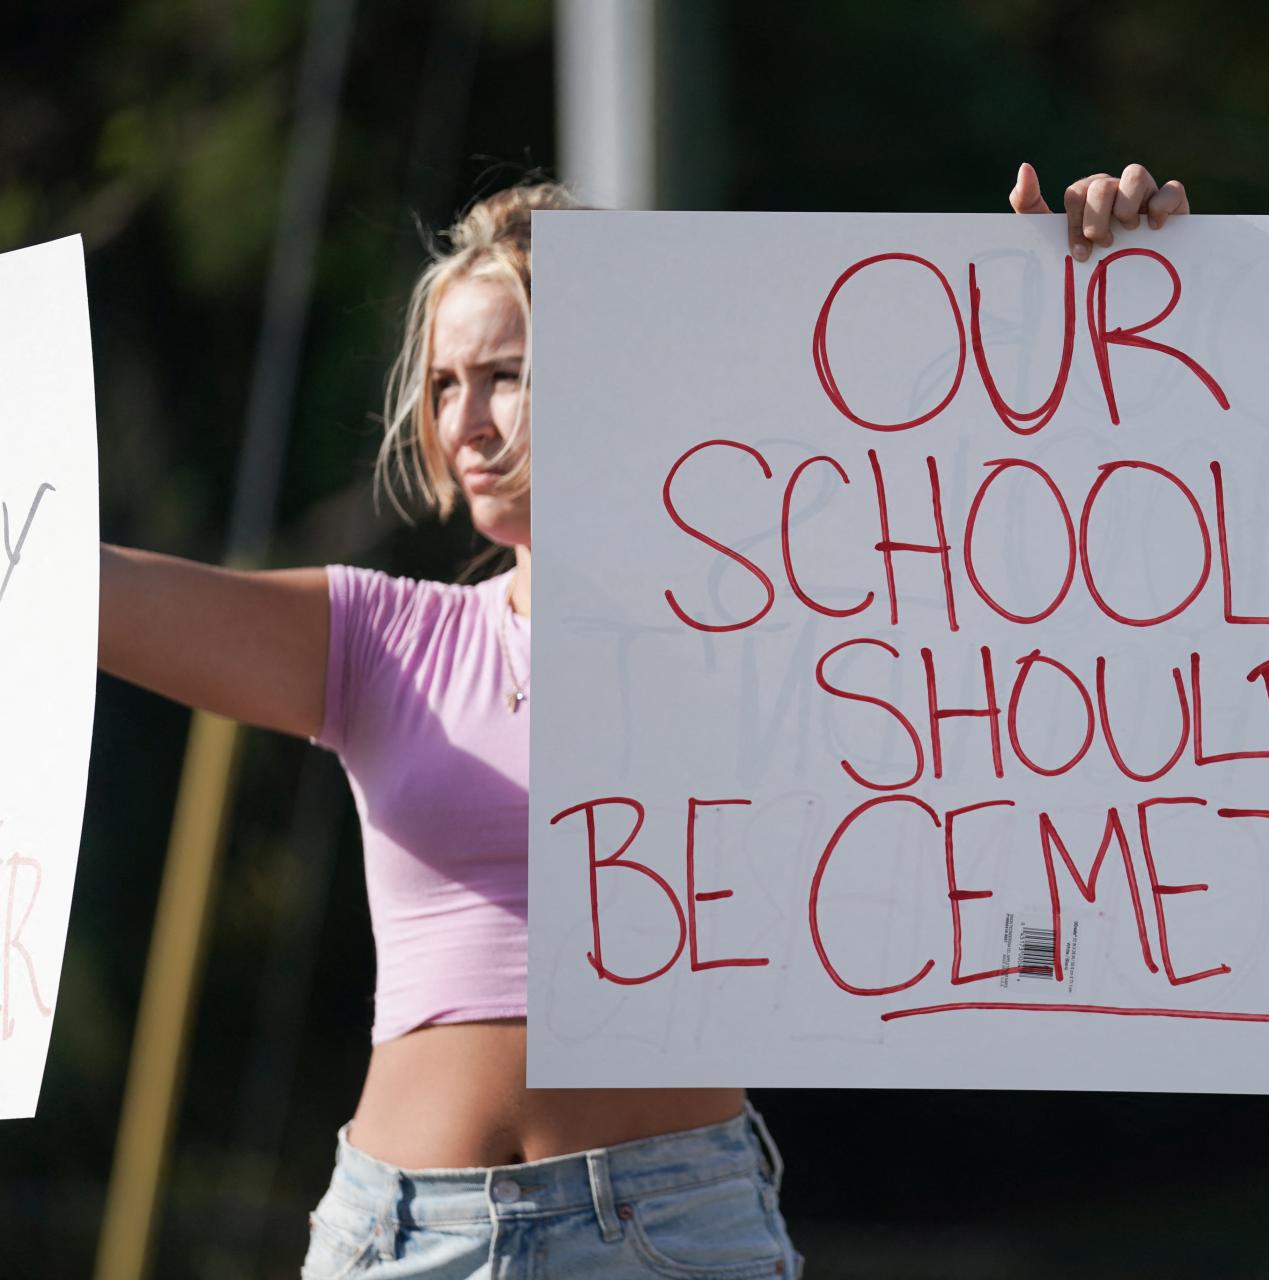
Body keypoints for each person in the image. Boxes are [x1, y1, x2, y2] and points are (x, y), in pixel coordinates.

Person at [98, 161, 1191, 1278]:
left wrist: (1096, 279)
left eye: (506, 376)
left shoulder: (772, 617)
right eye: (442, 385)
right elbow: (81, 590)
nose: (466, 421)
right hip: (404, 1233)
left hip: (671, 1225)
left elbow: (1030, 543)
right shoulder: (384, 639)